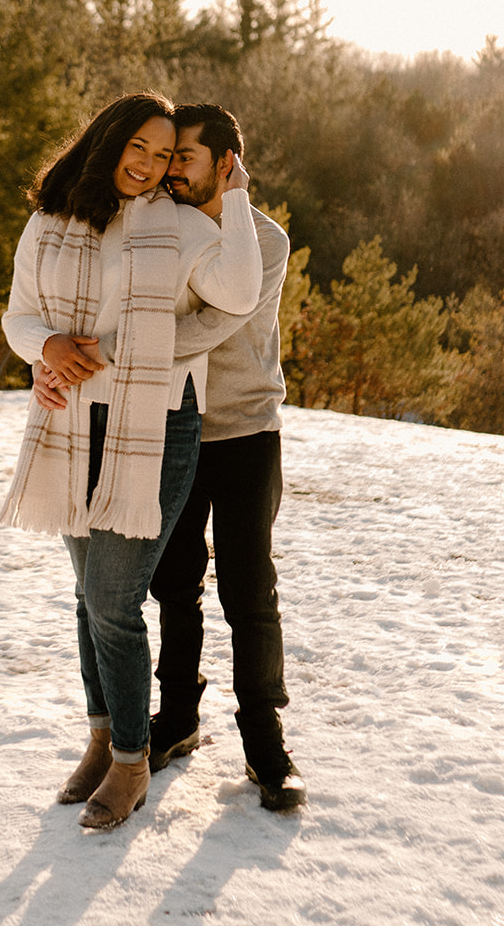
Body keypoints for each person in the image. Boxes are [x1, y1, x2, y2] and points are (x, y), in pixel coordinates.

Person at [0, 92, 262, 832]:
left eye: (162, 153)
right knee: (87, 597)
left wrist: (234, 200)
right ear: (108, 141)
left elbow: (239, 292)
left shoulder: (178, 225)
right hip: (67, 419)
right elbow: (18, 316)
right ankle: (99, 736)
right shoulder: (49, 224)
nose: (147, 166)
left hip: (156, 421)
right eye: (137, 148)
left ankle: (130, 759)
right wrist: (45, 348)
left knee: (114, 600)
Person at [149, 103, 306, 811]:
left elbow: (212, 325)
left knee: (249, 589)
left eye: (185, 155)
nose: (171, 167)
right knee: (173, 584)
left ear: (226, 163)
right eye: (169, 155)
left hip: (245, 433)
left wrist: (143, 342)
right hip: (172, 429)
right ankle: (176, 719)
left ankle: (263, 740)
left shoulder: (264, 240)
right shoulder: (159, 228)